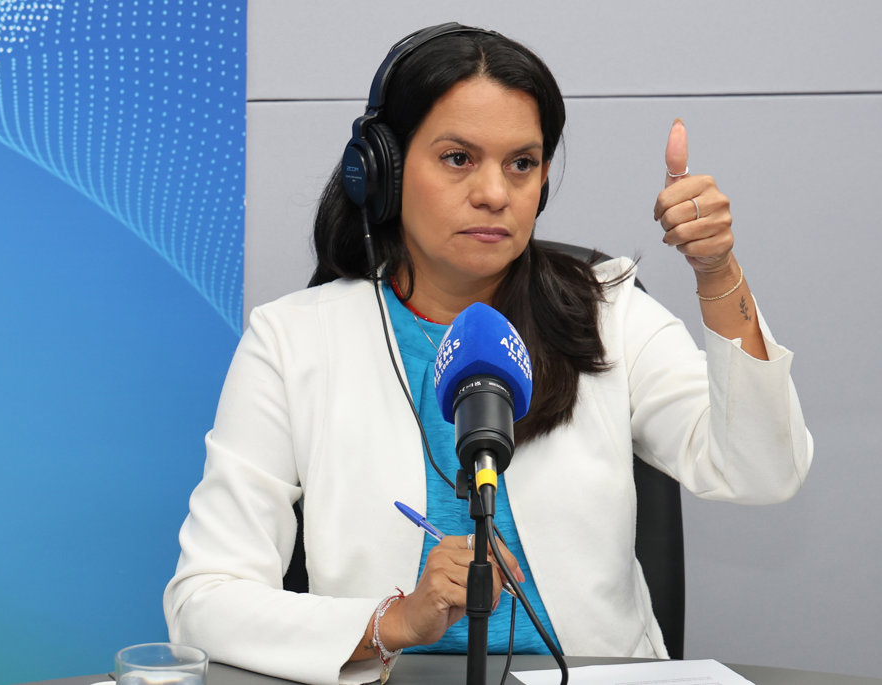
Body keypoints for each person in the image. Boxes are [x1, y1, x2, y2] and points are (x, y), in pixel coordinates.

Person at [164, 23, 813, 685]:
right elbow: (204, 599)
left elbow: (762, 470)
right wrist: (395, 619)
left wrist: (717, 272)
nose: (496, 193)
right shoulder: (293, 340)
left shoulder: (608, 310)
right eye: (458, 158)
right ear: (383, 171)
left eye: (521, 163)